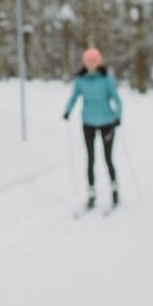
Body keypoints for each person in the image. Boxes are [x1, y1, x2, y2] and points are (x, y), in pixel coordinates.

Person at [62, 46, 122, 209]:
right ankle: (91, 192)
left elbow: (117, 100)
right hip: (88, 122)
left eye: (94, 61)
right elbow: (74, 97)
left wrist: (118, 116)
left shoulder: (106, 79)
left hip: (107, 123)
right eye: (88, 61)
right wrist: (67, 110)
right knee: (90, 159)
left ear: (99, 62)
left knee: (107, 158)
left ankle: (114, 189)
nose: (91, 64)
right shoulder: (81, 80)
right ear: (84, 62)